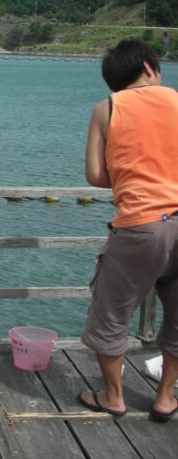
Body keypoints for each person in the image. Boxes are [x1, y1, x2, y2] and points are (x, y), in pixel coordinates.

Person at [80, 39, 178, 422]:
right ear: (150, 67)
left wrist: (133, 177)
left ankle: (113, 396)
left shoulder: (107, 109)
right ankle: (166, 397)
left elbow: (95, 175)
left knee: (110, 316)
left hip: (141, 226)